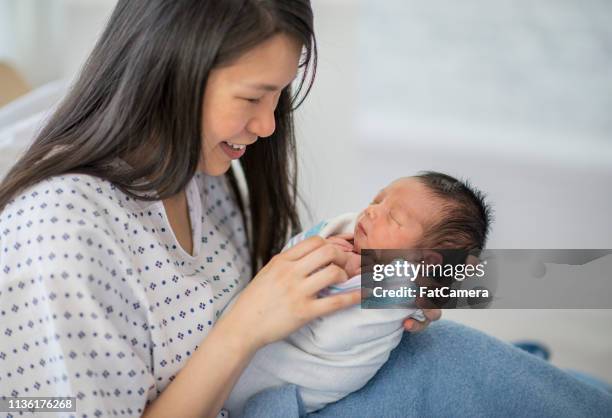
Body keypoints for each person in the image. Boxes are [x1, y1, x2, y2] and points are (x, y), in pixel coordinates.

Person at [0, 2, 609, 418]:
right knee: (459, 367)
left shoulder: (193, 173)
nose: (267, 126)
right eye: (253, 97)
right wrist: (243, 330)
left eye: (279, 97)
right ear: (170, 71)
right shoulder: (61, 241)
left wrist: (433, 280)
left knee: (462, 352)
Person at [224, 172, 491, 416]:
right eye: (377, 200)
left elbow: (332, 337)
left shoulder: (401, 289)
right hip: (237, 352)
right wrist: (317, 250)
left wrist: (342, 273)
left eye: (394, 218)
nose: (371, 211)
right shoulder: (347, 235)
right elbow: (282, 265)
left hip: (310, 372)